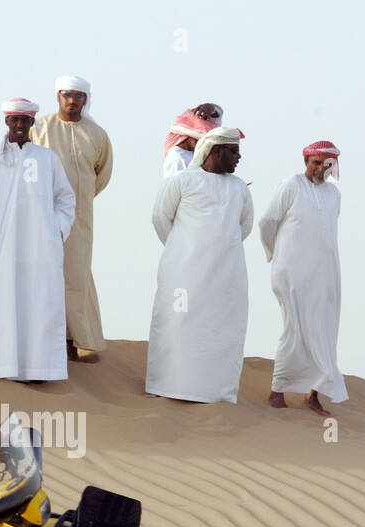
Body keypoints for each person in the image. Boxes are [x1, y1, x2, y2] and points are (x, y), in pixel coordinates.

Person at [146, 127, 254, 404]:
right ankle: (169, 385)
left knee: (222, 330)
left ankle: (215, 392)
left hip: (226, 276)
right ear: (216, 151)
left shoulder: (239, 187)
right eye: (234, 151)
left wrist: (219, 251)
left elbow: (244, 227)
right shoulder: (182, 180)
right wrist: (184, 249)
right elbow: (161, 219)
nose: (239, 157)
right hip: (183, 273)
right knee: (177, 324)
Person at [0, 98, 76, 383]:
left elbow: (66, 199)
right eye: (14, 120)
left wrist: (56, 230)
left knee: (42, 302)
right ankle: (9, 367)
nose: (19, 125)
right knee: (9, 304)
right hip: (7, 249)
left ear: (33, 123)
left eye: (25, 120)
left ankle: (41, 370)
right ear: (7, 122)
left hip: (42, 248)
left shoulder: (48, 159)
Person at [259, 140, 346, 415]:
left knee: (324, 331)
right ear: (306, 162)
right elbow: (267, 222)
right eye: (315, 163)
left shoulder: (334, 194)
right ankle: (277, 390)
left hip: (325, 273)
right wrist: (275, 255)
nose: (320, 168)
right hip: (291, 271)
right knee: (294, 328)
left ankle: (313, 395)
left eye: (326, 164)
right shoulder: (292, 185)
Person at [30, 74, 112, 361]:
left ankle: (77, 338)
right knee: (44, 271)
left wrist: (81, 198)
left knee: (76, 273)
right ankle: (46, 338)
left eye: (78, 96)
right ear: (58, 97)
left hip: (80, 217)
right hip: (42, 213)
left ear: (85, 100)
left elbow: (102, 174)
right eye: (67, 95)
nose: (73, 101)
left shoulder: (97, 134)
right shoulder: (39, 127)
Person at [162, 109, 216, 177]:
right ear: (189, 137)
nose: (203, 144)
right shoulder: (178, 158)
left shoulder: (192, 154)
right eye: (199, 139)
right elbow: (176, 186)